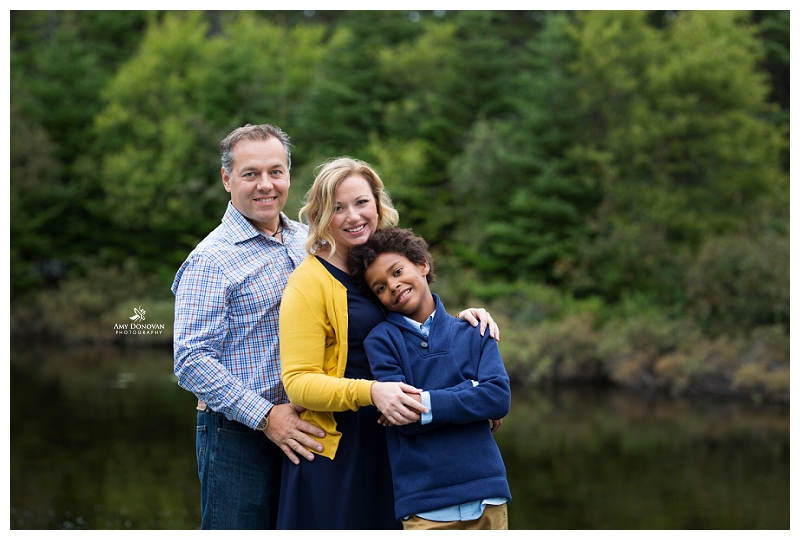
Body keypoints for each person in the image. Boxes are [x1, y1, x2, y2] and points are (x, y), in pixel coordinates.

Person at [276, 156, 500, 530]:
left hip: (405, 446)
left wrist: (468, 327)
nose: (353, 216)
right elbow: (297, 382)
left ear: (378, 203)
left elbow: (421, 332)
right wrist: (373, 392)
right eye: (337, 208)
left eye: (362, 202)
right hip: (341, 452)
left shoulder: (385, 267)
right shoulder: (308, 283)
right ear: (320, 217)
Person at [171, 123, 326, 530]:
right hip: (240, 434)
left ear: (289, 175)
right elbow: (190, 359)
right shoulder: (211, 260)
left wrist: (459, 325)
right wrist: (266, 416)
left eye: (276, 172)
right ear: (227, 179)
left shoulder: (308, 241)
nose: (266, 185)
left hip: (311, 425)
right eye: (250, 174)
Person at [348, 227, 512, 530]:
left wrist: (425, 401)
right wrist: (470, 392)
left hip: (487, 493)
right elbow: (403, 418)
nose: (393, 286)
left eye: (397, 271)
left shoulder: (474, 330)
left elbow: (498, 398)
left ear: (422, 264)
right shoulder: (381, 341)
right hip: (425, 504)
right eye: (380, 287)